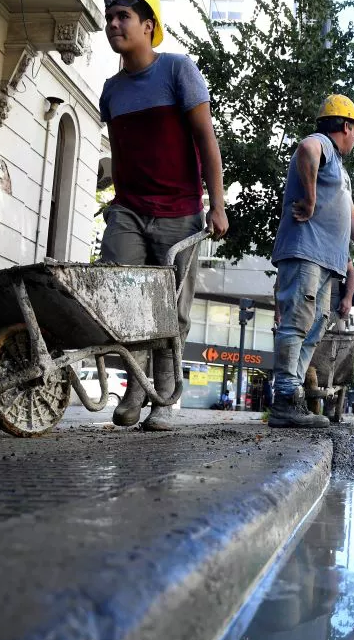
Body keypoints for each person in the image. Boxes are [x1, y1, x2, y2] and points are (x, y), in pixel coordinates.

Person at [98, 0, 229, 431]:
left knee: (170, 310)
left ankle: (163, 400)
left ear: (148, 26)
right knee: (123, 300)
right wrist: (114, 199)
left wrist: (218, 204)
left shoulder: (177, 70)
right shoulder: (111, 90)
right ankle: (136, 388)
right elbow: (120, 153)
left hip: (179, 212)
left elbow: (205, 139)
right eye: (110, 17)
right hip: (130, 211)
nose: (114, 24)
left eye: (123, 17)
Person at [269, 95, 354, 428]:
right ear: (346, 126)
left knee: (313, 329)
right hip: (305, 252)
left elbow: (352, 217)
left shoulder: (340, 170)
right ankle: (284, 398)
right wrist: (309, 199)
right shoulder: (321, 144)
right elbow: (306, 150)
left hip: (327, 262)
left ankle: (291, 397)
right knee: (297, 323)